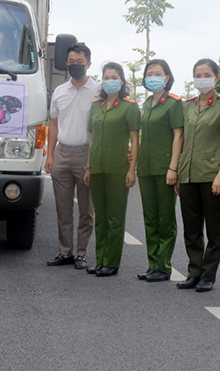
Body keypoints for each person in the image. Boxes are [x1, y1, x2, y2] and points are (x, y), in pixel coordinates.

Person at [176, 59, 220, 292]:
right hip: (188, 174)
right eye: (198, 74)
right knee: (191, 228)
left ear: (216, 77)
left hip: (212, 176)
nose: (202, 78)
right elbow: (181, 140)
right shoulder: (187, 106)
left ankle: (208, 274)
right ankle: (194, 271)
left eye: (207, 74)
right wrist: (178, 172)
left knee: (215, 229)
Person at [44, 44, 100, 269]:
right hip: (62, 154)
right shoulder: (59, 91)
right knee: (63, 208)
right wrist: (50, 155)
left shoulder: (98, 91)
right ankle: (65, 252)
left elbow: (98, 128)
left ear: (88, 63)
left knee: (86, 209)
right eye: (71, 61)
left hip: (86, 154)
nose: (74, 65)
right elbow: (53, 125)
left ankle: (82, 253)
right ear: (66, 64)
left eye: (79, 61)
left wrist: (91, 161)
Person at [83, 62, 140, 277]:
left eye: (114, 77)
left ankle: (112, 262)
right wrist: (88, 167)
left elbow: (134, 140)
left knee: (115, 218)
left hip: (118, 168)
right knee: (101, 217)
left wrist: (131, 169)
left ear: (122, 81)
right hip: (97, 167)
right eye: (106, 77)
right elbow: (92, 140)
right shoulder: (96, 106)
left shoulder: (129, 106)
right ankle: (100, 260)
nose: (109, 81)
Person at [136, 59, 183, 282]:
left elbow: (178, 136)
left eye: (157, 73)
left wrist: (173, 167)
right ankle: (152, 264)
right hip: (145, 168)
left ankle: (164, 266)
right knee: (150, 218)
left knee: (165, 219)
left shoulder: (174, 103)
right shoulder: (145, 104)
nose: (152, 76)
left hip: (165, 168)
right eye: (149, 73)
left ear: (166, 78)